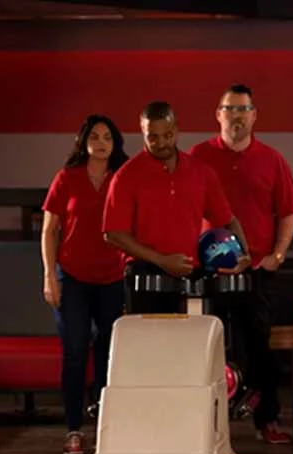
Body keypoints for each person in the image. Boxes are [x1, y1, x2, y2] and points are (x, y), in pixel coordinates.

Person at [191, 84, 293, 445]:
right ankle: (203, 427)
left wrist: (279, 254)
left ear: (254, 116)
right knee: (204, 350)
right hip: (208, 273)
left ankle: (265, 419)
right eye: (229, 108)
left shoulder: (272, 159)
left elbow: (288, 212)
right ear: (218, 114)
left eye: (243, 109)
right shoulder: (197, 156)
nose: (236, 115)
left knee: (259, 348)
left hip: (257, 270)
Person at [102, 100, 248, 312]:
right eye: (153, 137)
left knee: (191, 344)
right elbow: (113, 233)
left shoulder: (201, 172)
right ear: (143, 133)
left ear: (176, 130)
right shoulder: (126, 176)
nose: (161, 143)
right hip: (144, 276)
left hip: (192, 276)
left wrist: (244, 254)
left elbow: (227, 220)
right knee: (149, 345)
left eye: (167, 135)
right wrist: (161, 260)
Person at [42, 114, 129, 454]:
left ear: (115, 143)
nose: (101, 142)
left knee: (110, 354)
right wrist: (50, 276)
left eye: (108, 136)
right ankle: (74, 429)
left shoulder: (123, 178)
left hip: (113, 278)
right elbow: (49, 230)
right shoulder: (67, 178)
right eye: (94, 135)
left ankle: (106, 424)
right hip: (72, 278)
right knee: (75, 352)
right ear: (83, 141)